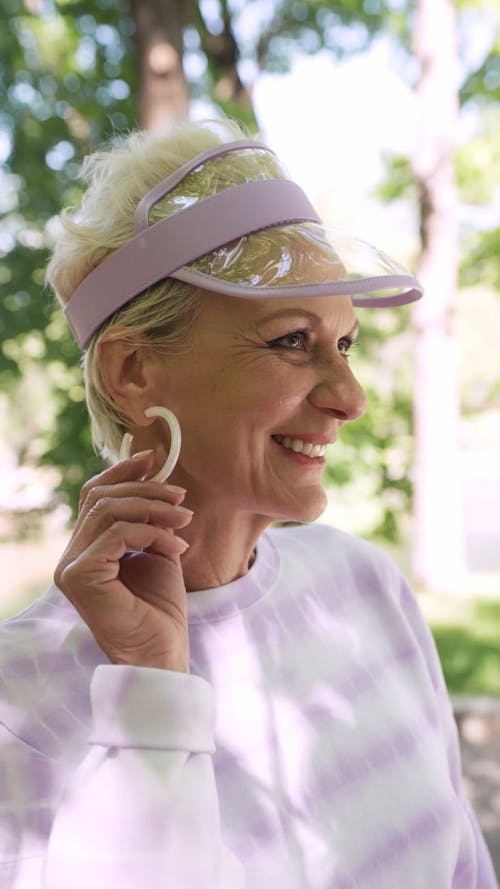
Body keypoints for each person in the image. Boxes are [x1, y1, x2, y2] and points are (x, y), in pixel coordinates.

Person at [0, 117, 497, 889]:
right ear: (132, 369)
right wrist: (151, 690)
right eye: (293, 340)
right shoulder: (19, 701)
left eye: (347, 344)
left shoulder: (367, 586)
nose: (351, 397)